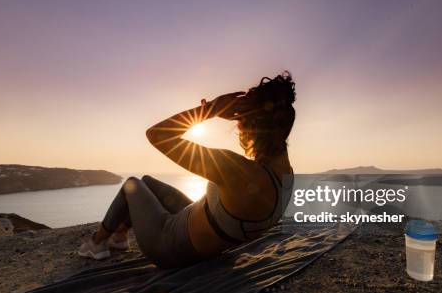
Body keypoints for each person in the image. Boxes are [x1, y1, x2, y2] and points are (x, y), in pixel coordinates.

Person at [78, 72, 296, 268]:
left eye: (240, 124)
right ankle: (120, 236)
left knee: (133, 184)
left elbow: (157, 134)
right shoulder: (286, 175)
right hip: (209, 244)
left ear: (250, 126)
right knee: (149, 182)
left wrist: (210, 109)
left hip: (168, 247)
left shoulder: (237, 170)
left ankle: (96, 244)